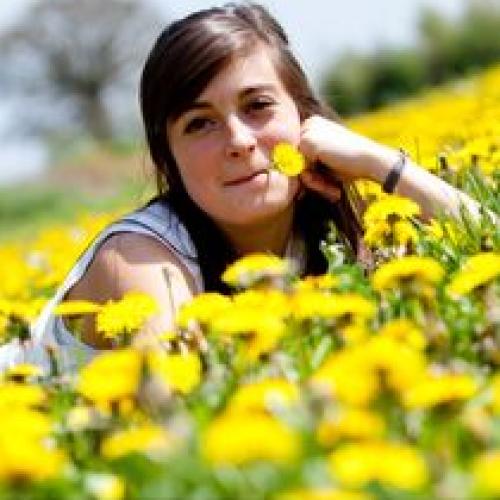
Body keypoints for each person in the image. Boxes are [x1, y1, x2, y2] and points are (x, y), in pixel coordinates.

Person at [10, 2, 481, 371]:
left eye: (257, 105)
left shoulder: (331, 235)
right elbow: (181, 421)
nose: (238, 141)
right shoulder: (139, 261)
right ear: (167, 158)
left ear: (304, 116)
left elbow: (486, 244)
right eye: (199, 124)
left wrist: (380, 162)